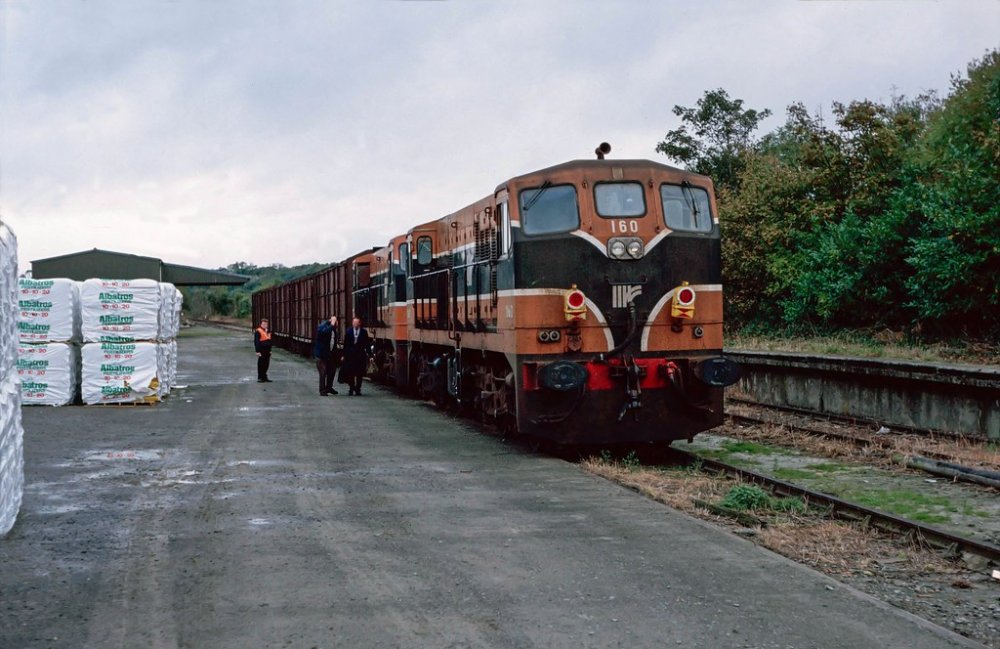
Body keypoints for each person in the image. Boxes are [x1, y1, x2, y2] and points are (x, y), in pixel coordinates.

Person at [340, 316, 371, 395]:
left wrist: (370, 355)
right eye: (354, 323)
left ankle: (358, 389)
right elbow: (345, 344)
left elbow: (367, 344)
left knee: (359, 373)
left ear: (359, 324)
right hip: (350, 356)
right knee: (351, 373)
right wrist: (343, 355)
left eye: (356, 323)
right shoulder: (348, 331)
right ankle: (351, 388)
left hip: (360, 355)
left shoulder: (364, 332)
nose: (355, 324)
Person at [313, 316, 340, 396]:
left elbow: (333, 343)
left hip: (329, 354)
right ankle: (322, 390)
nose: (337, 325)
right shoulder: (322, 326)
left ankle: (329, 387)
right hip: (321, 355)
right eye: (336, 322)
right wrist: (332, 324)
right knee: (323, 372)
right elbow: (325, 333)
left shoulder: (333, 330)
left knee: (332, 371)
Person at [254, 318, 273, 383]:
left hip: (267, 350)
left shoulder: (268, 331)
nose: (264, 325)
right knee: (261, 364)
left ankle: (264, 377)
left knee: (266, 364)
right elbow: (256, 342)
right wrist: (257, 351)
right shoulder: (258, 331)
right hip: (261, 350)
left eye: (266, 324)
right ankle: (260, 377)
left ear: (267, 325)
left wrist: (270, 350)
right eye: (263, 324)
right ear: (261, 324)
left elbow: (270, 341)